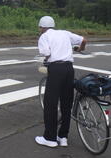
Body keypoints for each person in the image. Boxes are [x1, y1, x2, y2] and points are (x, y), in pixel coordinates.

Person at [35, 16, 86, 148]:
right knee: (66, 104)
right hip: (69, 69)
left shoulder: (44, 37)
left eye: (39, 27)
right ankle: (63, 137)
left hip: (56, 69)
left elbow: (46, 53)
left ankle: (50, 138)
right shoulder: (65, 33)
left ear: (41, 27)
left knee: (50, 103)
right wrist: (80, 49)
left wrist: (46, 59)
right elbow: (83, 40)